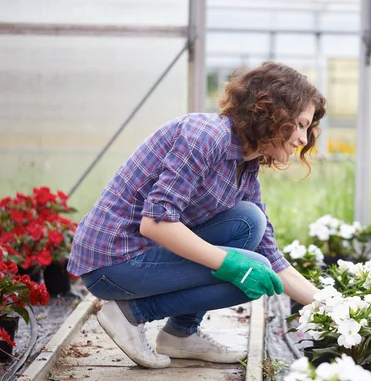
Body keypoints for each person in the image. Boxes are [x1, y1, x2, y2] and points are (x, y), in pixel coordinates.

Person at [67, 62, 325, 369]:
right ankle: (130, 314)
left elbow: (271, 255)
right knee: (250, 267)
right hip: (112, 262)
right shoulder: (206, 137)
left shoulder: (245, 165)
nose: (302, 138)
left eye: (307, 128)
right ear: (271, 113)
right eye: (299, 124)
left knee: (249, 222)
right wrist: (229, 264)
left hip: (143, 257)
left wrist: (332, 307)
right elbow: (156, 224)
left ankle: (180, 334)